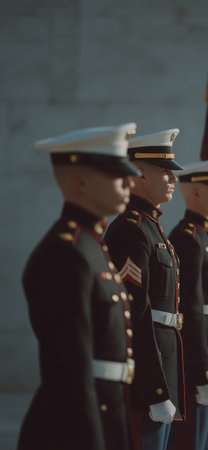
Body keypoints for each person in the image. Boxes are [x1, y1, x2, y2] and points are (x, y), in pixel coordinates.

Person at [17, 124, 139, 450]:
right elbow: (70, 372)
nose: (130, 182)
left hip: (107, 412)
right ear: (80, 183)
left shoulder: (90, 244)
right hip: (77, 427)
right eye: (118, 175)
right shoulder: (65, 253)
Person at [104, 129, 185, 450]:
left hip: (163, 370)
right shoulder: (132, 230)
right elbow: (135, 312)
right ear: (139, 175)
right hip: (147, 384)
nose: (173, 179)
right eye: (165, 172)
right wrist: (155, 389)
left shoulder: (151, 228)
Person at [168, 156, 208, 450]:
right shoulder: (187, 238)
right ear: (194, 192)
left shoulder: (205, 235)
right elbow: (190, 309)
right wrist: (202, 372)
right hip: (198, 354)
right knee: (191, 441)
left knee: (205, 440)